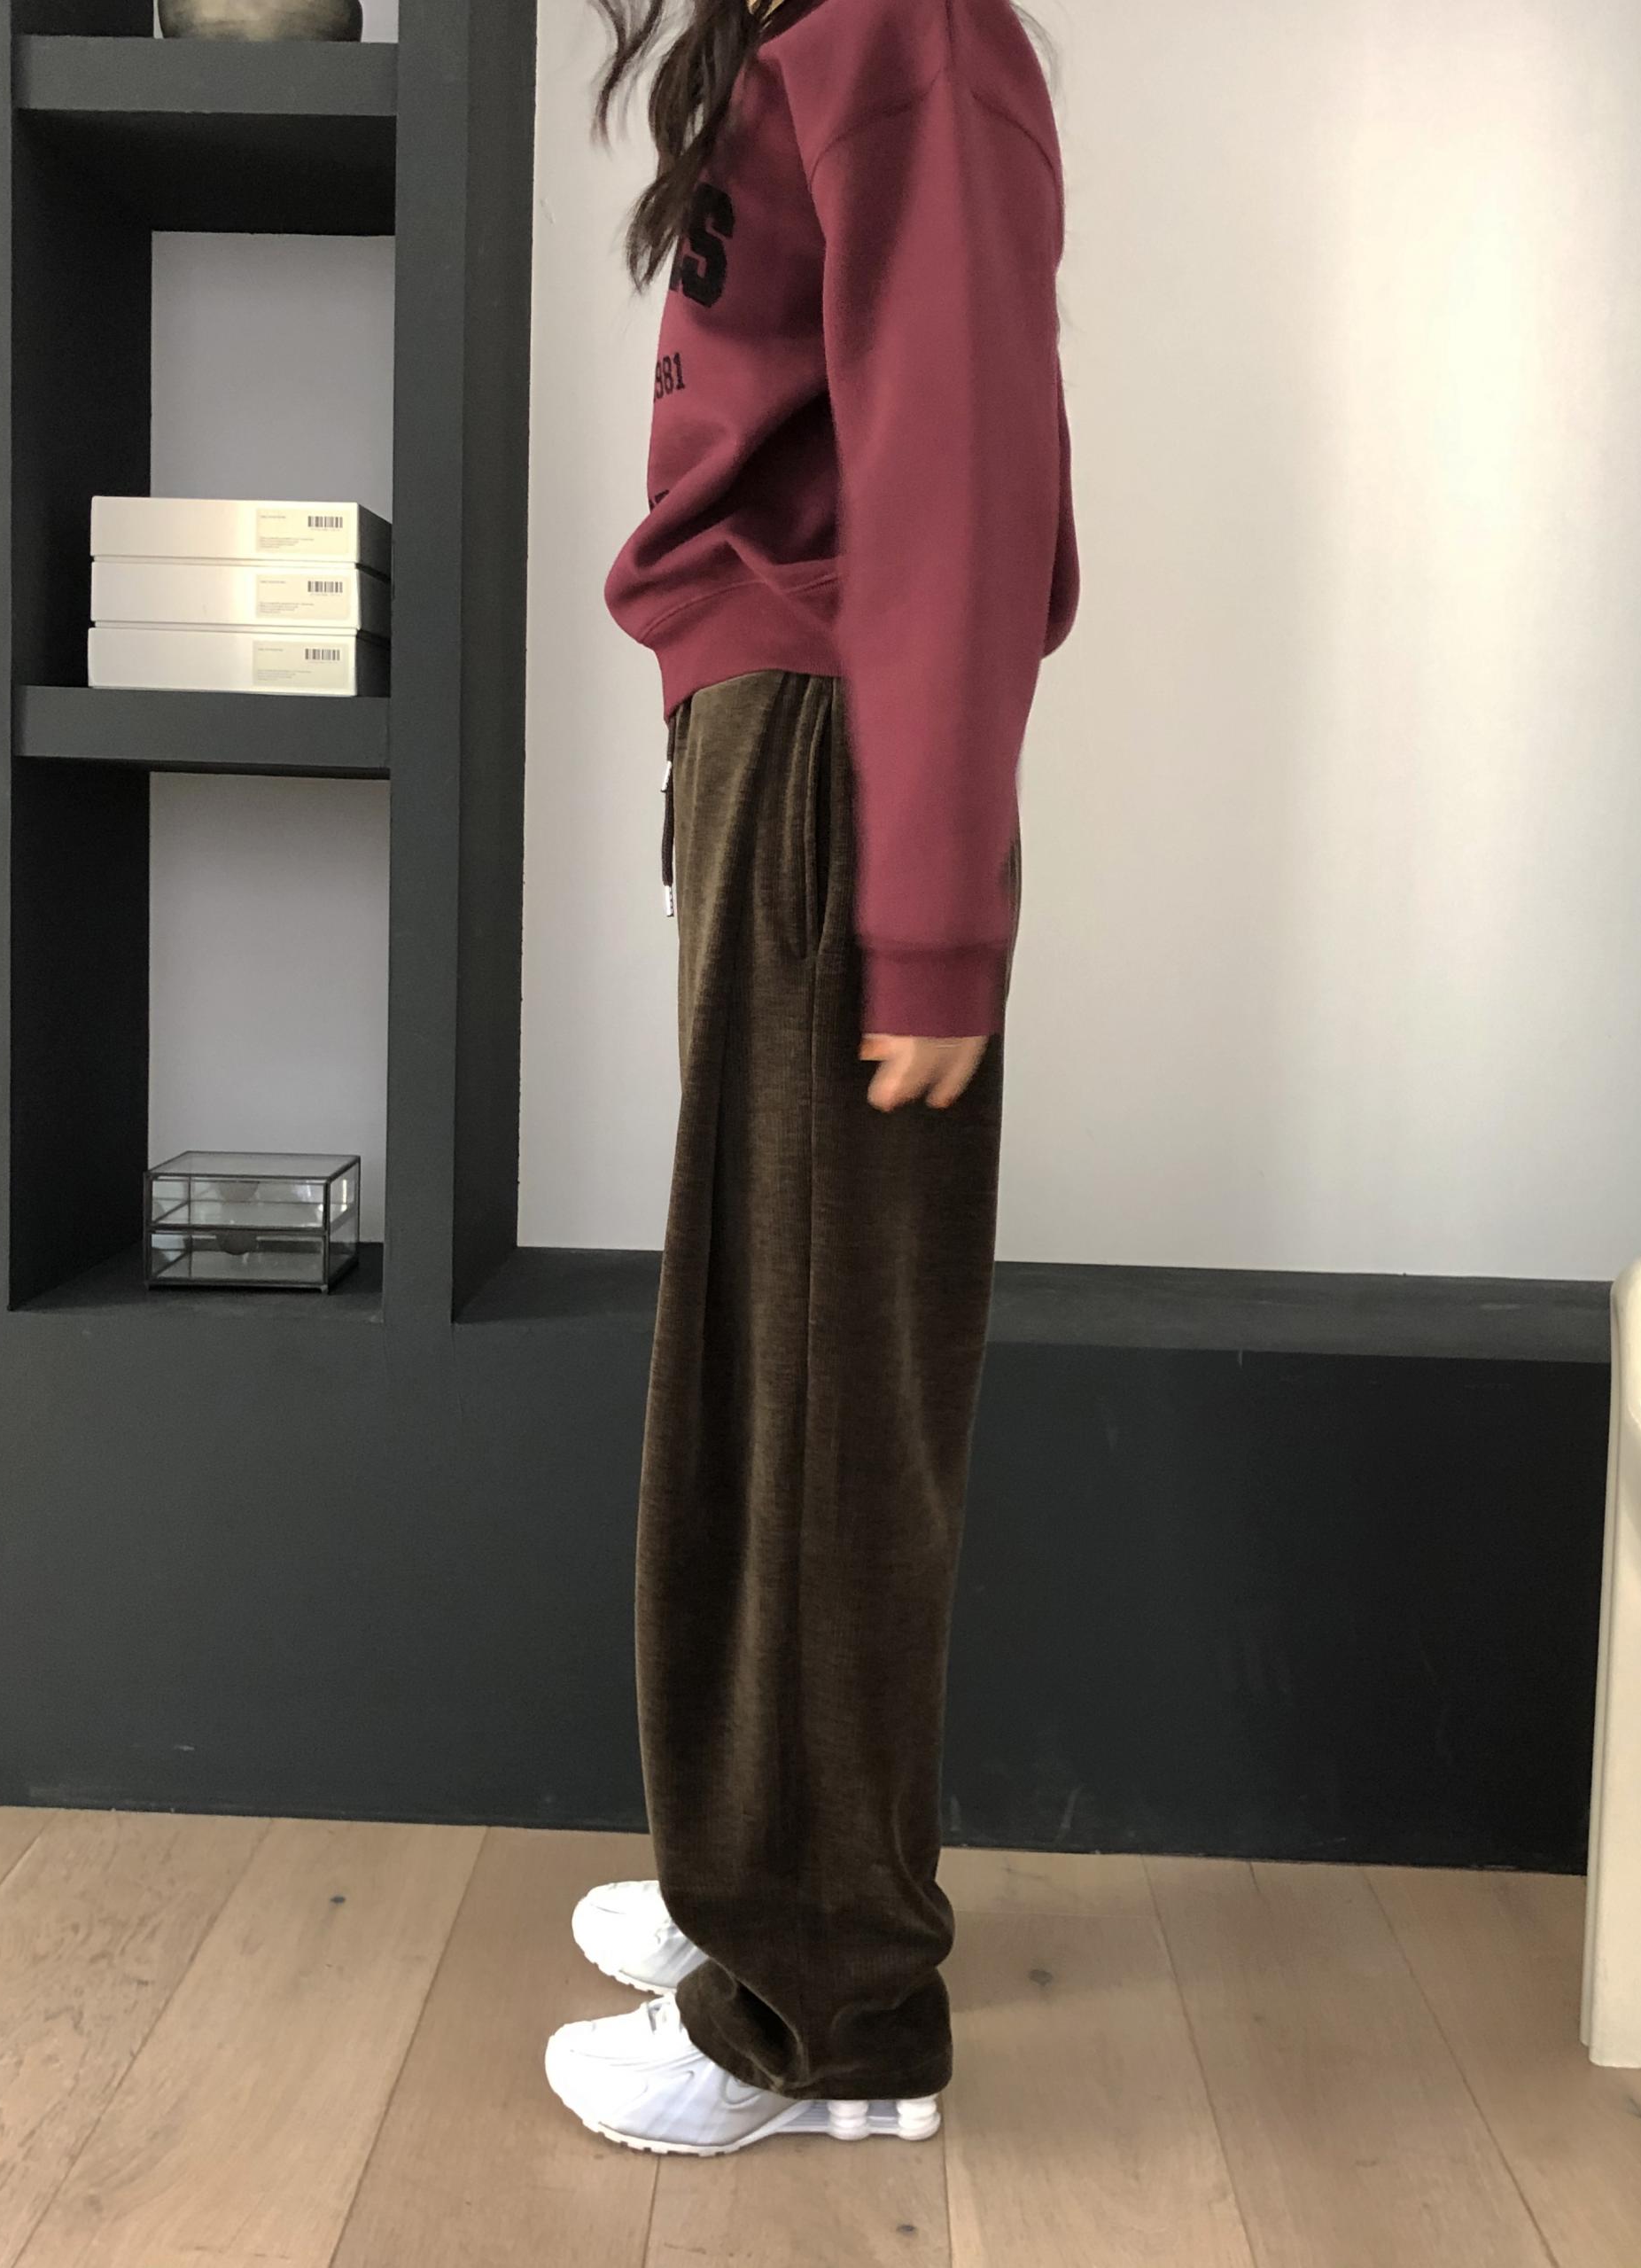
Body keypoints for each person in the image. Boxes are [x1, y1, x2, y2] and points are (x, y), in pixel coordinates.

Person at [544, 0, 1079, 2155]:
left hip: (844, 755)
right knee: (767, 1368)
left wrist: (933, 916)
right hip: (782, 732)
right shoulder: (813, 25)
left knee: (819, 1394)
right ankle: (759, 1879)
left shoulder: (904, 27)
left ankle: (825, 1997)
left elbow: (962, 469)